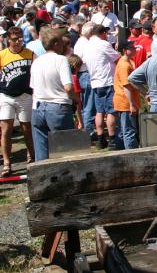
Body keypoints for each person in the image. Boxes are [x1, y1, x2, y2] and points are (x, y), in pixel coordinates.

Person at [30, 26, 77, 160]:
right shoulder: (61, 60)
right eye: (62, 42)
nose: (64, 45)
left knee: (41, 152)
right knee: (65, 152)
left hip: (38, 107)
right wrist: (76, 99)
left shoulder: (36, 62)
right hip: (58, 107)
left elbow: (33, 88)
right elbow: (68, 87)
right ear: (56, 43)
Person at [0, 27, 35, 175]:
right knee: (5, 129)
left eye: (20, 38)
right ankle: (7, 163)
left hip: (25, 96)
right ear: (8, 39)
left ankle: (32, 156)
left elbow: (36, 72)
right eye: (15, 39)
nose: (18, 41)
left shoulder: (30, 54)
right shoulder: (2, 55)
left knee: (27, 129)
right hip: (6, 95)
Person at [83, 25, 121, 149]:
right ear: (103, 33)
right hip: (107, 81)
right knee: (111, 112)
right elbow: (117, 58)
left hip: (95, 82)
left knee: (99, 112)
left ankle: (100, 139)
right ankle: (112, 140)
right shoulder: (103, 44)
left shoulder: (87, 45)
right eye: (106, 33)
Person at [113, 40, 140, 149]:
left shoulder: (127, 62)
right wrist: (131, 104)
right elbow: (126, 86)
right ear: (124, 50)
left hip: (126, 101)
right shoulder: (124, 65)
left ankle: (121, 150)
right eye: (131, 48)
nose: (134, 49)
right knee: (129, 131)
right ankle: (131, 154)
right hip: (125, 102)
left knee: (124, 129)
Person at [73, 22, 96, 136]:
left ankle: (87, 129)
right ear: (91, 32)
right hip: (86, 74)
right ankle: (89, 131)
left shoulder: (81, 42)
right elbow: (80, 60)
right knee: (88, 105)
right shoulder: (84, 43)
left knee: (86, 105)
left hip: (83, 75)